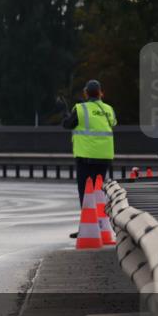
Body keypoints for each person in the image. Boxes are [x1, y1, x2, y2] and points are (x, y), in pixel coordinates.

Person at [61, 79, 116, 237]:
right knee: (99, 192)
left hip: (86, 156)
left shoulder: (80, 109)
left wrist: (64, 113)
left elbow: (67, 124)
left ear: (86, 93)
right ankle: (101, 226)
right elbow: (112, 122)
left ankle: (88, 228)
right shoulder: (109, 109)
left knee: (85, 193)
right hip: (105, 156)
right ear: (101, 93)